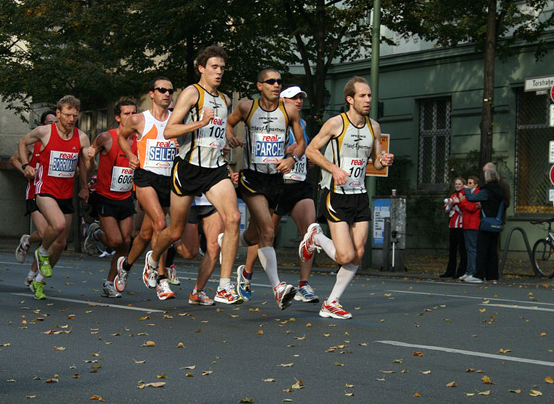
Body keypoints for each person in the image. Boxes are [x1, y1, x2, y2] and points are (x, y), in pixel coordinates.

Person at [140, 45, 243, 304]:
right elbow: (169, 131)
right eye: (214, 67)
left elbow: (220, 130)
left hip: (215, 169)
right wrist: (199, 123)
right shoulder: (191, 93)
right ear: (201, 69)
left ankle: (224, 286)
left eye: (222, 68)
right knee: (174, 231)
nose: (219, 72)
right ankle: (153, 259)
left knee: (233, 218)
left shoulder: (224, 100)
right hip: (188, 168)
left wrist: (228, 139)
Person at [299, 76, 394, 319]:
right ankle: (316, 237)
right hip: (335, 194)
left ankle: (332, 302)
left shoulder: (374, 127)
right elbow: (310, 150)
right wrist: (334, 169)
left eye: (370, 95)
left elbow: (374, 158)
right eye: (362, 96)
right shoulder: (335, 124)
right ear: (349, 99)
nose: (368, 100)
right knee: (345, 256)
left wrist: (381, 160)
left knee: (358, 254)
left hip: (359, 195)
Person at [227, 74, 306, 310]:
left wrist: (292, 158)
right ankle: (278, 288)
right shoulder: (246, 107)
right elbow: (228, 123)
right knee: (269, 230)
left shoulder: (289, 111)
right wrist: (230, 137)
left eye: (279, 82)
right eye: (270, 82)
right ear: (259, 85)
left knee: (255, 233)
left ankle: (229, 240)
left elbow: (301, 143)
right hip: (252, 178)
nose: (276, 85)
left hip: (275, 179)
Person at [17, 95, 92, 300]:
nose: (71, 119)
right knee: (57, 225)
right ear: (58, 113)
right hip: (44, 189)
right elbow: (22, 143)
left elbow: (85, 166)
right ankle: (41, 252)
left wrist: (85, 182)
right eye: (67, 115)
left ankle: (38, 281)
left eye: (75, 116)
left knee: (60, 244)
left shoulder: (82, 137)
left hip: (66, 193)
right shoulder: (44, 132)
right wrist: (26, 166)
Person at [114, 78, 178, 299]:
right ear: (152, 93)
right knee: (161, 223)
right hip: (145, 177)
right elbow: (122, 137)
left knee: (145, 234)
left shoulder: (176, 120)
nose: (167, 93)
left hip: (168, 180)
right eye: (162, 90)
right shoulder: (139, 119)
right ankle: (160, 277)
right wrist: (131, 155)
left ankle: (125, 266)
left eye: (170, 90)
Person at [87, 99, 138, 298]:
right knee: (115, 241)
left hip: (125, 196)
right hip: (105, 196)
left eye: (134, 113)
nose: (131, 117)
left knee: (126, 242)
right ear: (118, 117)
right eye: (126, 113)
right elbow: (89, 158)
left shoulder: (139, 140)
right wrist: (90, 156)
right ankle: (95, 232)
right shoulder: (107, 137)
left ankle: (110, 283)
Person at [11, 110, 59, 290]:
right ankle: (28, 241)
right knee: (46, 231)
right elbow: (13, 159)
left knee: (50, 238)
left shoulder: (59, 143)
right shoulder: (35, 144)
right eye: (49, 122)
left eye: (55, 122)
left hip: (53, 193)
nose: (53, 125)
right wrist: (26, 167)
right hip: (34, 192)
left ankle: (32, 273)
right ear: (42, 125)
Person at [463, 163, 509, 284]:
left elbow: (472, 198)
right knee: (493, 251)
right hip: (496, 222)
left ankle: (478, 275)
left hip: (486, 222)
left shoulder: (487, 190)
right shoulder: (501, 189)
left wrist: (467, 191)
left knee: (482, 249)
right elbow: (503, 203)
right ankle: (492, 276)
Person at [441, 177, 467, 278]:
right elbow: (446, 209)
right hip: (453, 225)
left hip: (461, 225)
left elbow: (463, 210)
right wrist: (451, 204)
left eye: (459, 184)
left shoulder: (464, 195)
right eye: (456, 184)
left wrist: (456, 204)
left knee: (462, 250)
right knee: (452, 250)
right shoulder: (453, 195)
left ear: (463, 185)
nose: (457, 186)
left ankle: (461, 271)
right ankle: (450, 271)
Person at [458, 176, 481, 281]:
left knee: (472, 248)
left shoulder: (476, 194)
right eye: (468, 182)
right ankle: (469, 271)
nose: (468, 185)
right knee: (468, 248)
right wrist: (463, 202)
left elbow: (471, 208)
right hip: (467, 223)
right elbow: (464, 208)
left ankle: (472, 271)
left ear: (476, 185)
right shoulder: (467, 194)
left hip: (473, 224)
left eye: (470, 183)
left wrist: (463, 202)